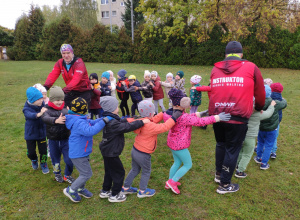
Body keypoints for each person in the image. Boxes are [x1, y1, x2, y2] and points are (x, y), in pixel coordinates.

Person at [209, 41, 265, 194]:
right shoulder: (251, 67)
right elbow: (260, 93)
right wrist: (259, 107)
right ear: (241, 54)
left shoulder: (215, 68)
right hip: (238, 116)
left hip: (218, 114)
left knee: (221, 144)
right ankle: (225, 184)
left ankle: (219, 174)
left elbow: (213, 90)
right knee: (232, 149)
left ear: (226, 54)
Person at [163, 89, 231, 194]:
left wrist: (200, 113)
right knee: (187, 165)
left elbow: (190, 118)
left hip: (172, 143)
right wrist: (217, 117)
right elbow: (199, 122)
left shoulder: (171, 112)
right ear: (181, 103)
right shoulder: (183, 116)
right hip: (180, 146)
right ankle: (172, 182)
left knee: (177, 162)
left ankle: (170, 181)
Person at [122, 100, 182, 198]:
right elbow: (164, 127)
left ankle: (126, 187)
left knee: (135, 169)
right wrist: (174, 118)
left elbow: (153, 119)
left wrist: (163, 113)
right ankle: (142, 191)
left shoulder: (141, 121)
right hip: (144, 154)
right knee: (146, 171)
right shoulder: (149, 126)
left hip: (135, 150)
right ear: (151, 112)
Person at [98, 96, 149, 203]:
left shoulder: (109, 118)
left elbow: (120, 121)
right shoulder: (113, 123)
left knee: (109, 171)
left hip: (107, 150)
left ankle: (105, 190)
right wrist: (141, 122)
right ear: (112, 108)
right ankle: (115, 194)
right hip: (111, 152)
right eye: (116, 106)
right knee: (119, 172)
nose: (118, 107)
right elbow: (126, 127)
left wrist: (127, 119)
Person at [63, 97, 113, 203]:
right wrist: (104, 121)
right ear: (84, 110)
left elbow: (91, 122)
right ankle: (71, 190)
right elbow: (90, 131)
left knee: (84, 172)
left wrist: (103, 118)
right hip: (78, 153)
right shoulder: (78, 122)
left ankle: (80, 189)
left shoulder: (79, 117)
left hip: (82, 151)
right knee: (86, 174)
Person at [41, 86, 74, 183]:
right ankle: (57, 173)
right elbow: (45, 118)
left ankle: (67, 175)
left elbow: (73, 118)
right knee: (55, 160)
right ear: (51, 99)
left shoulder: (66, 109)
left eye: (61, 99)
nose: (59, 102)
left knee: (69, 160)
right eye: (57, 100)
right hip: (53, 141)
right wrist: (56, 120)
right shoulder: (46, 109)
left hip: (65, 140)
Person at [235, 99, 276, 178]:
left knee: (240, 151)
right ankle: (239, 171)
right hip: (250, 138)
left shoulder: (241, 111)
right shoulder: (258, 114)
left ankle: (237, 165)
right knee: (247, 154)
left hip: (240, 135)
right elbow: (268, 114)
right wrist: (271, 106)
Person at [43, 44, 91, 108]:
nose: (66, 55)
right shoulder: (60, 62)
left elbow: (76, 79)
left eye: (68, 53)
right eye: (63, 53)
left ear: (72, 52)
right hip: (71, 91)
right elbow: (53, 75)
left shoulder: (79, 63)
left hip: (83, 92)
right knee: (64, 110)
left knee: (80, 113)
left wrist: (64, 90)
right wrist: (45, 87)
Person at [254, 85, 287, 170]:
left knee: (260, 142)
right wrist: (283, 99)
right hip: (272, 129)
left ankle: (258, 158)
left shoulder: (258, 103)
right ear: (270, 93)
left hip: (261, 128)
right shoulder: (275, 102)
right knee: (269, 145)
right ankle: (264, 163)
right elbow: (284, 104)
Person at [23, 87, 49, 174]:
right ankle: (34, 159)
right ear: (33, 100)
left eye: (42, 98)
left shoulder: (41, 104)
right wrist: (39, 114)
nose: (42, 100)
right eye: (39, 99)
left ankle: (43, 163)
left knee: (43, 151)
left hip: (41, 133)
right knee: (30, 152)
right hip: (30, 134)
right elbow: (30, 115)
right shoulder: (26, 108)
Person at [270, 82, 284, 159]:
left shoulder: (269, 98)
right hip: (277, 121)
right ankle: (273, 152)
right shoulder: (282, 101)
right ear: (281, 91)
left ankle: (261, 148)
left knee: (264, 135)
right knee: (274, 136)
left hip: (267, 121)